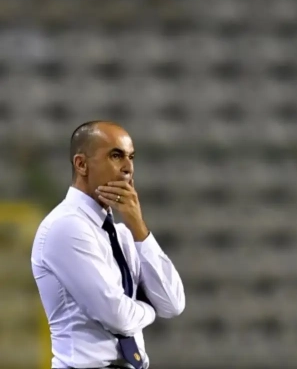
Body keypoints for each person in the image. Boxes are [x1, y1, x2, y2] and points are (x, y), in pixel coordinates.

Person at [31, 121, 186, 369]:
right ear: (81, 164)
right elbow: (117, 316)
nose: (128, 168)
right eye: (116, 156)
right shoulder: (66, 227)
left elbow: (172, 303)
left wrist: (138, 225)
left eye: (131, 157)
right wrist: (149, 309)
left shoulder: (122, 234)